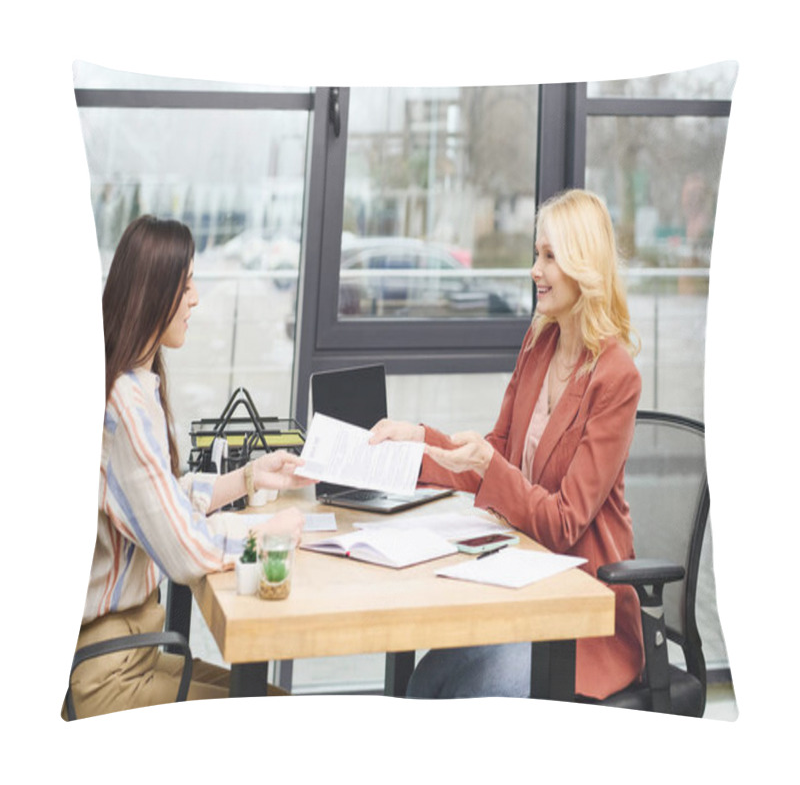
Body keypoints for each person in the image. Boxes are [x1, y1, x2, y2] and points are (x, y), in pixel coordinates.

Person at [370, 189, 645, 700]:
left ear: (584, 266)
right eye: (535, 255)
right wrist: (418, 443)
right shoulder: (539, 342)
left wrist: (488, 465)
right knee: (426, 683)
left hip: (580, 608)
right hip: (520, 578)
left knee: (470, 691)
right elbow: (495, 449)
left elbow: (564, 521)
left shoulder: (615, 376)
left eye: (549, 257)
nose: (535, 271)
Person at [65, 215, 314, 719]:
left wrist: (246, 479)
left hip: (129, 654)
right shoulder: (125, 405)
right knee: (282, 716)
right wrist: (270, 533)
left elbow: (158, 499)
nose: (196, 299)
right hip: (111, 674)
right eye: (186, 285)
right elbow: (185, 551)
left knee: (280, 705)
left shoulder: (131, 380)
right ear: (154, 293)